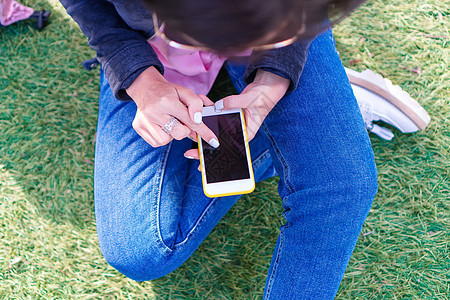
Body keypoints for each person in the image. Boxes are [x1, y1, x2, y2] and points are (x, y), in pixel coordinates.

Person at [60, 0, 378, 298]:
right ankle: (299, 130)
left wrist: (274, 79)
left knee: (341, 182)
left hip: (275, 24)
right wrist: (137, 77)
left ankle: (327, 109)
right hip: (149, 42)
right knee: (140, 252)